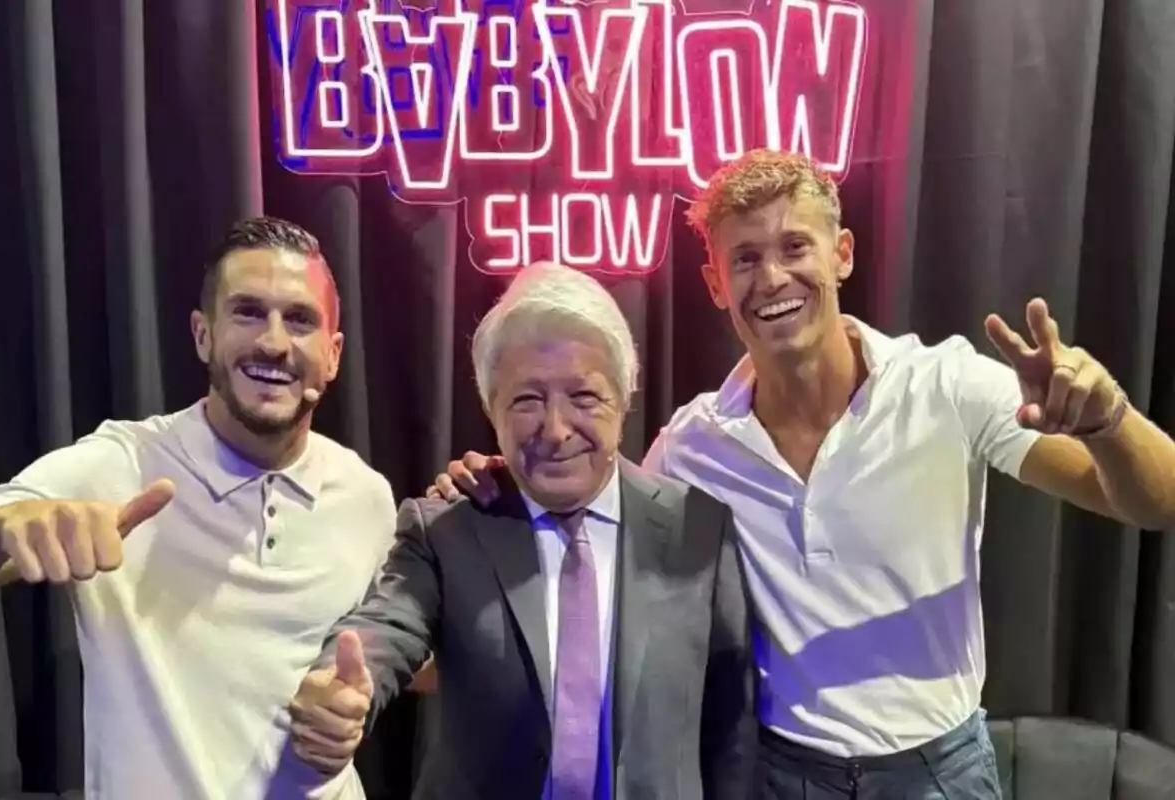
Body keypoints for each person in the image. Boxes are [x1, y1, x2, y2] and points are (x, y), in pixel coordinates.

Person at [426, 150, 1175, 799]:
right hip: (783, 776)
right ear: (716, 285)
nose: (772, 276)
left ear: (842, 253)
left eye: (794, 246)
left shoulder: (944, 385)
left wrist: (1108, 423)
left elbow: (1155, 502)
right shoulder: (694, 445)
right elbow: (586, 533)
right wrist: (504, 483)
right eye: (744, 259)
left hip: (938, 773)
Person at [287, 262, 756, 798]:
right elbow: (387, 625)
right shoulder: (448, 528)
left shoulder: (698, 527)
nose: (555, 431)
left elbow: (731, 725)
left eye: (583, 397)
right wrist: (342, 686)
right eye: (527, 400)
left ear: (625, 398)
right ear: (491, 408)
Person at [0, 217, 398, 799]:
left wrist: (356, 700)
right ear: (203, 336)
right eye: (248, 312)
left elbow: (389, 647)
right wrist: (1, 528)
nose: (274, 342)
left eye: (299, 319)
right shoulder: (122, 463)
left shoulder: (366, 494)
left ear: (332, 353)